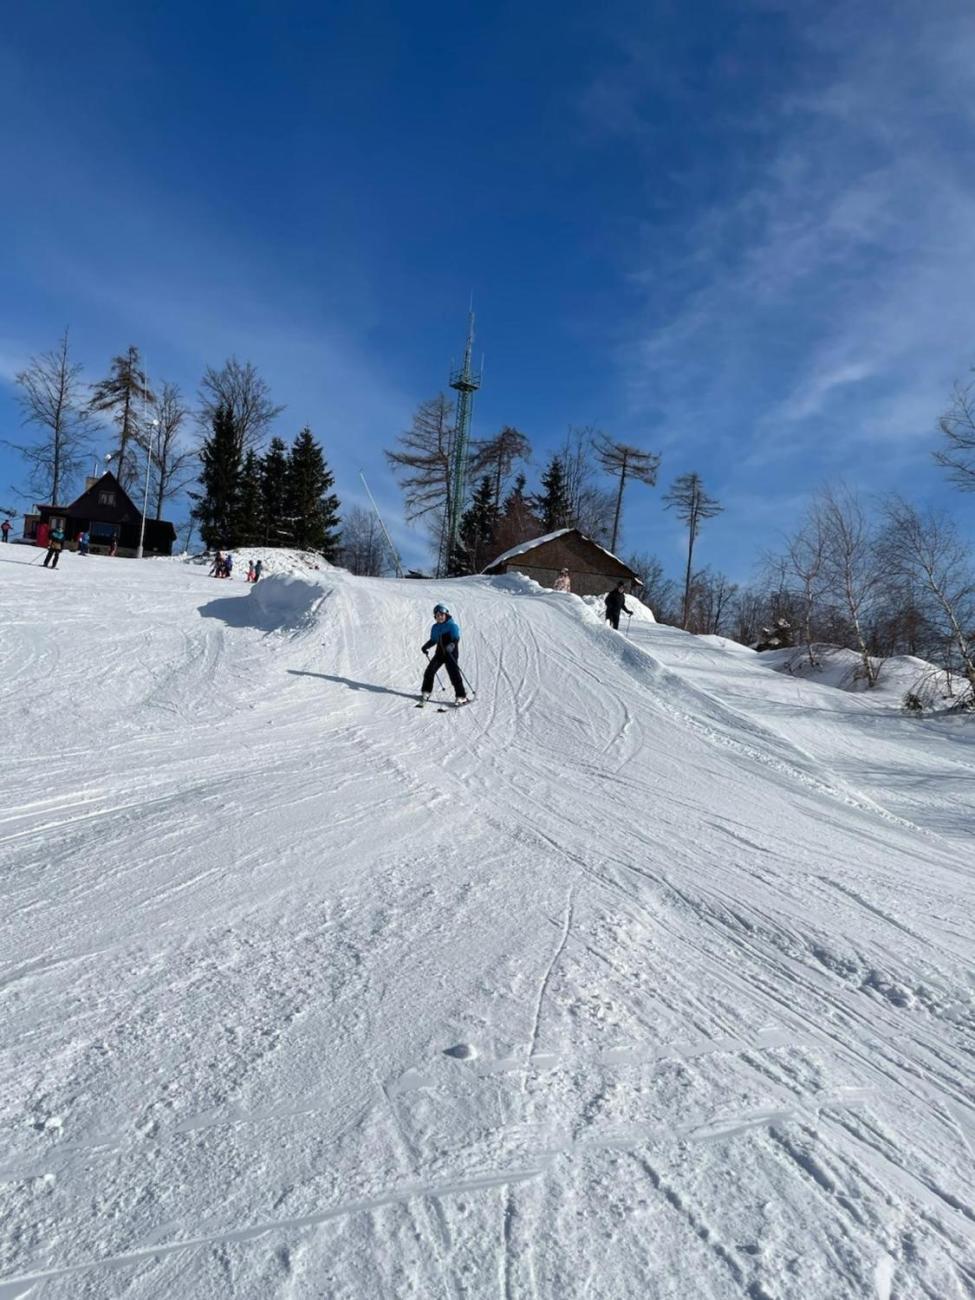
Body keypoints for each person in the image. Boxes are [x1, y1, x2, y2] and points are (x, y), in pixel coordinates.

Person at [418, 603, 468, 706]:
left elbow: (456, 639)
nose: (439, 617)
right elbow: (434, 640)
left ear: (446, 615)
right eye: (437, 615)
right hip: (440, 653)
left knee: (454, 674)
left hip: (451, 654)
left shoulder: (452, 626)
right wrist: (426, 646)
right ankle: (426, 692)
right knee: (430, 671)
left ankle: (461, 696)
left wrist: (451, 645)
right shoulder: (435, 627)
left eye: (441, 614)